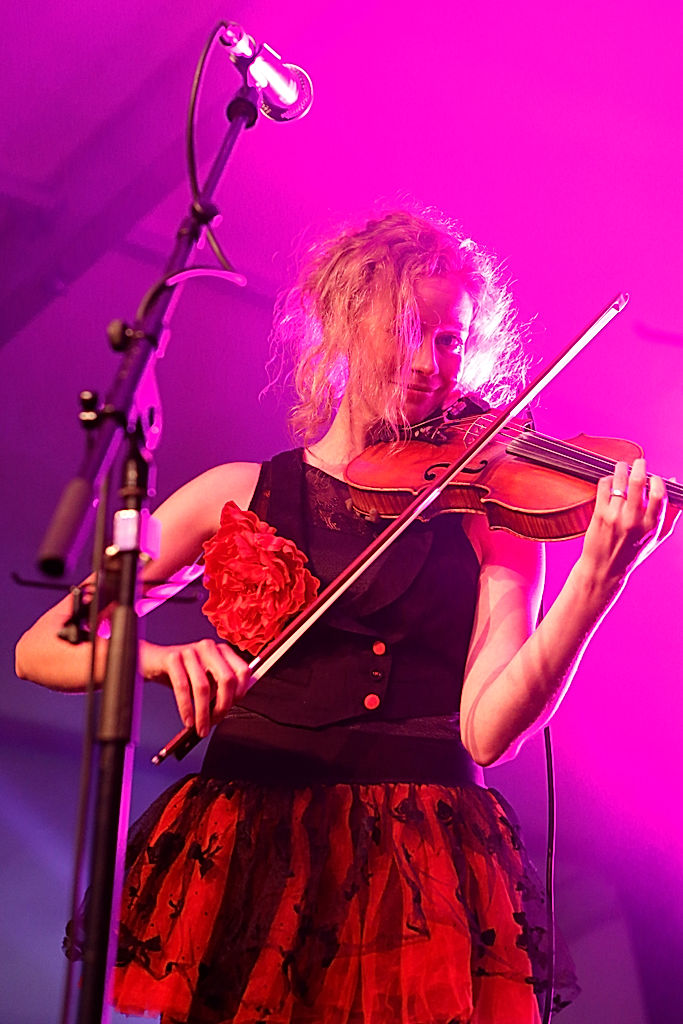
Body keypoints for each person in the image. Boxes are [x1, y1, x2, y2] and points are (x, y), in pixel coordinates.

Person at [15, 209, 675, 1024]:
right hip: (254, 834)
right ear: (339, 321)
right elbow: (41, 647)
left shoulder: (491, 509)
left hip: (417, 861)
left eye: (453, 340)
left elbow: (487, 733)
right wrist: (154, 658)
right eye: (411, 328)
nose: (433, 363)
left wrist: (597, 583)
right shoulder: (235, 492)